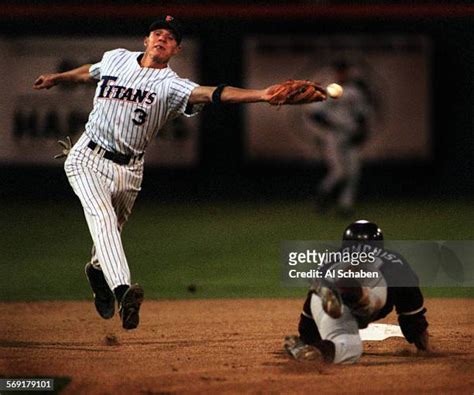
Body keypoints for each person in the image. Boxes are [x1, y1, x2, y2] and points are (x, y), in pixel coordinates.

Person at [33, 16, 326, 330]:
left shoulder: (172, 86)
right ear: (146, 40)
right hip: (85, 159)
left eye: (170, 37)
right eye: (157, 33)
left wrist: (263, 94)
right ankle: (123, 291)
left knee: (110, 233)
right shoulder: (115, 58)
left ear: (176, 49)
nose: (162, 38)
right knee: (101, 217)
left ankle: (96, 270)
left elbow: (216, 93)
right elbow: (89, 72)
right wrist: (58, 77)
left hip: (130, 169)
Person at [284, 220, 430, 364]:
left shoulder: (329, 259)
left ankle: (312, 349)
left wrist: (308, 340)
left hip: (323, 296)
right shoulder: (395, 261)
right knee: (353, 345)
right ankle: (360, 296)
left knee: (345, 342)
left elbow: (310, 310)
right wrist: (422, 346)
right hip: (375, 283)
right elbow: (412, 312)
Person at [307, 61, 373, 217]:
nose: (342, 74)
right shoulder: (329, 90)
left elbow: (363, 114)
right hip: (333, 135)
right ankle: (323, 193)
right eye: (339, 71)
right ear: (334, 73)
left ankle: (345, 206)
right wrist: (332, 126)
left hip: (351, 134)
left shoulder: (355, 91)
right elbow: (314, 113)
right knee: (339, 172)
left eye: (344, 71)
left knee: (354, 172)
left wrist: (362, 132)